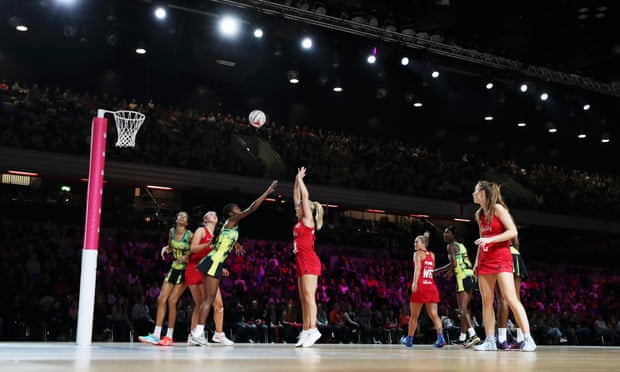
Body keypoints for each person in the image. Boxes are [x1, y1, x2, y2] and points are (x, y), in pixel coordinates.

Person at [195, 180, 278, 341]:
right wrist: (267, 192)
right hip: (213, 262)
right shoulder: (231, 221)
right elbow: (252, 208)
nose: (239, 210)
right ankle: (197, 333)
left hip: (216, 263)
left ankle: (216, 334)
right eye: (237, 209)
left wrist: (236, 244)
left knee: (215, 302)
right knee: (209, 300)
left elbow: (223, 239)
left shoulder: (230, 226)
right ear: (231, 213)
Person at [471, 180, 536, 352]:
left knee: (510, 298)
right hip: (485, 260)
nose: (473, 194)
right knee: (486, 301)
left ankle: (528, 339)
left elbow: (513, 232)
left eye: (476, 191)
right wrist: (476, 263)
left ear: (484, 193)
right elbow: (481, 240)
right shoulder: (479, 214)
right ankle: (490, 340)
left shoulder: (498, 209)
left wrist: (490, 239)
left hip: (501, 258)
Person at [139, 211, 192, 346]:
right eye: (179, 215)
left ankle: (169, 336)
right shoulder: (172, 232)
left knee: (172, 301)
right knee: (161, 299)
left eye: (184, 217)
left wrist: (187, 257)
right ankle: (156, 334)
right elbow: (170, 247)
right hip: (174, 267)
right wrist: (165, 249)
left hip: (185, 270)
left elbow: (196, 251)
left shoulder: (190, 235)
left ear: (186, 222)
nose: (181, 217)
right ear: (176, 219)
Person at [186, 211, 233, 346]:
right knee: (201, 303)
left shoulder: (217, 235)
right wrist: (209, 245)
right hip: (195, 269)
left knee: (218, 304)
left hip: (209, 269)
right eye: (210, 214)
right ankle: (193, 334)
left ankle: (219, 333)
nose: (214, 215)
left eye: (215, 214)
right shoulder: (201, 230)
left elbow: (214, 255)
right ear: (205, 219)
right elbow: (193, 248)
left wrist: (220, 267)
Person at [292, 166, 324, 348]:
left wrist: (302, 181)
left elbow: (304, 197)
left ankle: (313, 328)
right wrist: (296, 180)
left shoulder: (307, 220)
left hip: (309, 259)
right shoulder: (299, 221)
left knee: (309, 296)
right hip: (300, 260)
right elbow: (297, 196)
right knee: (303, 297)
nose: (296, 207)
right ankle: (305, 330)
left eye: (299, 207)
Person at [434, 225, 481, 348]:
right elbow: (459, 262)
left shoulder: (450, 246)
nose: (445, 235)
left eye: (447, 232)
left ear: (453, 235)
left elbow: (454, 263)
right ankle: (462, 338)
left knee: (462, 309)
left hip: (462, 277)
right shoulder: (460, 245)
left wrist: (438, 270)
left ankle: (474, 335)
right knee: (464, 309)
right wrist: (451, 272)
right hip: (470, 276)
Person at [399, 232, 446, 348]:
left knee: (414, 316)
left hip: (421, 285)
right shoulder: (432, 255)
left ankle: (409, 339)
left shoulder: (417, 254)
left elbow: (418, 269)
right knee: (434, 314)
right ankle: (441, 338)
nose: (414, 244)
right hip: (431, 285)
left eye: (417, 242)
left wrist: (414, 282)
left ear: (423, 243)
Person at [495, 236, 529, 349]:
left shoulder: (493, 223)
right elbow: (516, 243)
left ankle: (502, 338)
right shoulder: (509, 225)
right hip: (515, 254)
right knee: (516, 299)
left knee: (502, 299)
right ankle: (520, 339)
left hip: (500, 254)